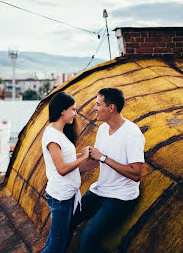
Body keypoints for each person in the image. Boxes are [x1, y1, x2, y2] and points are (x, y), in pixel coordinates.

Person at [69, 88, 145, 253]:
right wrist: (67, 166)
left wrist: (103, 158)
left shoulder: (132, 133)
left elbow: (136, 174)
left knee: (89, 236)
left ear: (111, 108)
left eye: (98, 104)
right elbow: (95, 162)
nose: (94, 108)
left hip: (120, 197)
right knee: (67, 219)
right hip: (100, 190)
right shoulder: (103, 129)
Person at [41, 91, 90, 253]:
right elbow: (61, 169)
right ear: (63, 110)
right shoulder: (52, 137)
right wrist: (83, 158)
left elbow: (65, 160)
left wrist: (84, 156)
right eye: (73, 110)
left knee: (55, 242)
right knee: (56, 246)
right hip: (61, 198)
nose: (75, 114)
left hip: (66, 195)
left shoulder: (58, 132)